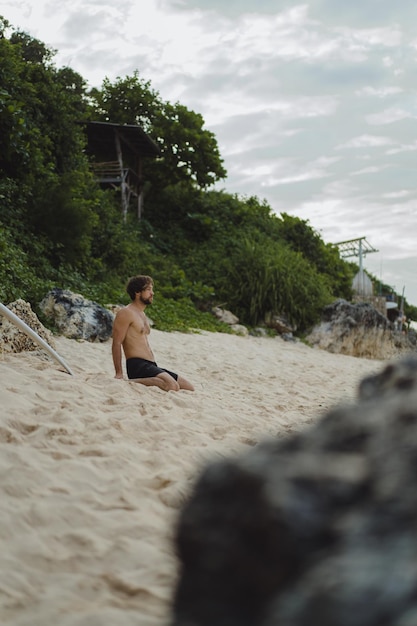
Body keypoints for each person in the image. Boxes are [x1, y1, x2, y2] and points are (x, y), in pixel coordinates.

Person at [112, 275, 195, 392]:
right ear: (137, 292)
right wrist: (119, 373)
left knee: (188, 387)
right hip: (137, 365)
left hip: (151, 365)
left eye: (152, 289)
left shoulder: (142, 314)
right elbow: (117, 342)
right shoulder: (126, 313)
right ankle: (128, 382)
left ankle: (151, 380)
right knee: (172, 385)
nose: (152, 293)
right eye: (148, 289)